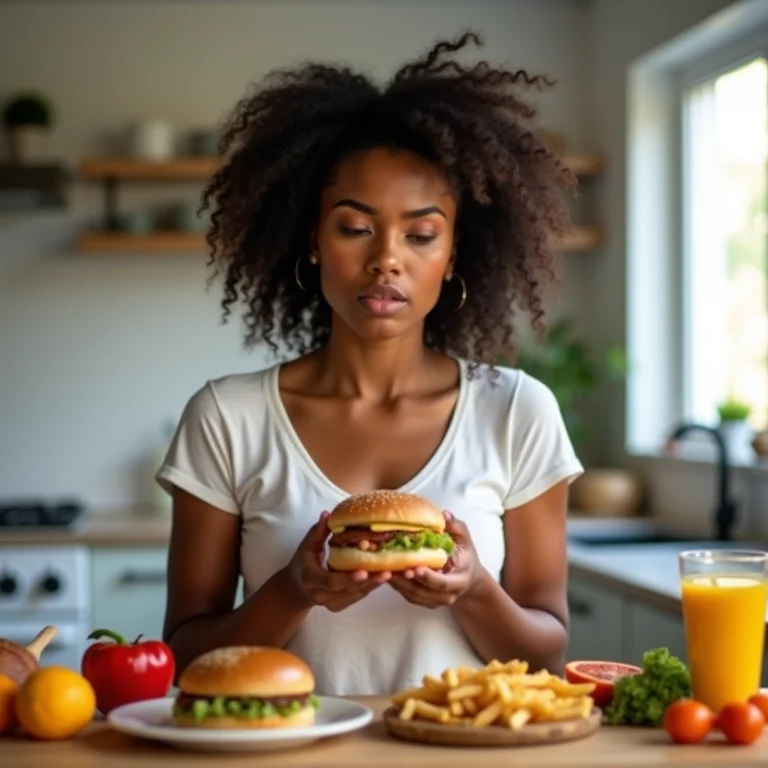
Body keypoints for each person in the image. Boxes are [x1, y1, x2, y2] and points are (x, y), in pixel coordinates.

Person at [156, 30, 584, 697]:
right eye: (355, 227)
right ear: (315, 242)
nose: (387, 257)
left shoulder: (516, 411)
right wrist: (296, 589)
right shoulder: (227, 417)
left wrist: (472, 591)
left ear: (453, 255)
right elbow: (184, 658)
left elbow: (549, 657)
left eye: (420, 234)